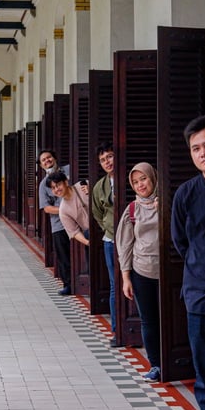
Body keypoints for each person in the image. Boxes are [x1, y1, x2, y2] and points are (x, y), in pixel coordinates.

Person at [170, 115, 205, 410]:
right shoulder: (186, 194)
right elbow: (181, 242)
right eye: (196, 148)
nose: (203, 153)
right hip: (200, 298)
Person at [116, 162, 161, 382]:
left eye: (143, 179)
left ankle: (177, 361)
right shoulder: (132, 209)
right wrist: (126, 278)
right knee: (149, 320)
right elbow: (124, 245)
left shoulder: (169, 202)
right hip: (142, 270)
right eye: (135, 182)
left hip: (170, 272)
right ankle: (156, 364)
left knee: (173, 318)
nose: (140, 185)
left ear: (153, 178)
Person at [91, 142, 122, 347]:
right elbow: (97, 213)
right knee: (114, 284)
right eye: (103, 160)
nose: (107, 162)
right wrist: (109, 228)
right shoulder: (99, 187)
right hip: (111, 240)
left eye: (110, 156)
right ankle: (117, 330)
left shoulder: (131, 178)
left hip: (135, 241)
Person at [38, 149, 72, 295]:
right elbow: (46, 208)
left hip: (78, 220)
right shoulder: (43, 184)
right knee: (64, 256)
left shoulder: (70, 170)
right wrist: (65, 210)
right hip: (59, 224)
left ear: (55, 158)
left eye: (49, 157)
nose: (47, 161)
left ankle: (86, 282)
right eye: (43, 160)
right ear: (41, 166)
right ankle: (68, 284)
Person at [47, 171, 91, 250]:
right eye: (53, 188)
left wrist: (91, 191)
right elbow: (74, 231)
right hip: (90, 234)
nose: (57, 189)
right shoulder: (63, 210)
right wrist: (88, 242)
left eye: (58, 185)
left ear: (66, 182)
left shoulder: (82, 186)